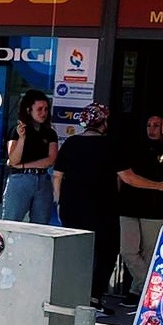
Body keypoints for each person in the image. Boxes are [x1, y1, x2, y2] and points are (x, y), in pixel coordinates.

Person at [52, 103, 122, 312]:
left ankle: (71, 296)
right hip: (103, 208)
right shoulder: (110, 145)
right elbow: (126, 176)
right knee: (106, 252)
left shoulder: (71, 143)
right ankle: (93, 298)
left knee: (76, 252)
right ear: (103, 122)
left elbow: (57, 175)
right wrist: (161, 186)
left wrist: (59, 202)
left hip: (72, 206)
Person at [117, 113, 163, 292]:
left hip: (157, 207)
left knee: (149, 252)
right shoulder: (135, 146)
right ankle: (152, 285)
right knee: (128, 251)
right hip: (130, 204)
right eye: (149, 125)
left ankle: (138, 292)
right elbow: (125, 175)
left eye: (156, 125)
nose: (152, 129)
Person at [3, 89, 58, 224]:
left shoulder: (50, 133)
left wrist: (23, 165)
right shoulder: (17, 130)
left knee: (41, 223)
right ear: (29, 110)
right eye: (39, 109)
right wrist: (22, 139)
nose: (43, 113)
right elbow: (13, 159)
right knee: (12, 221)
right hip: (20, 179)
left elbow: (50, 160)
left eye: (46, 109)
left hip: (42, 178)